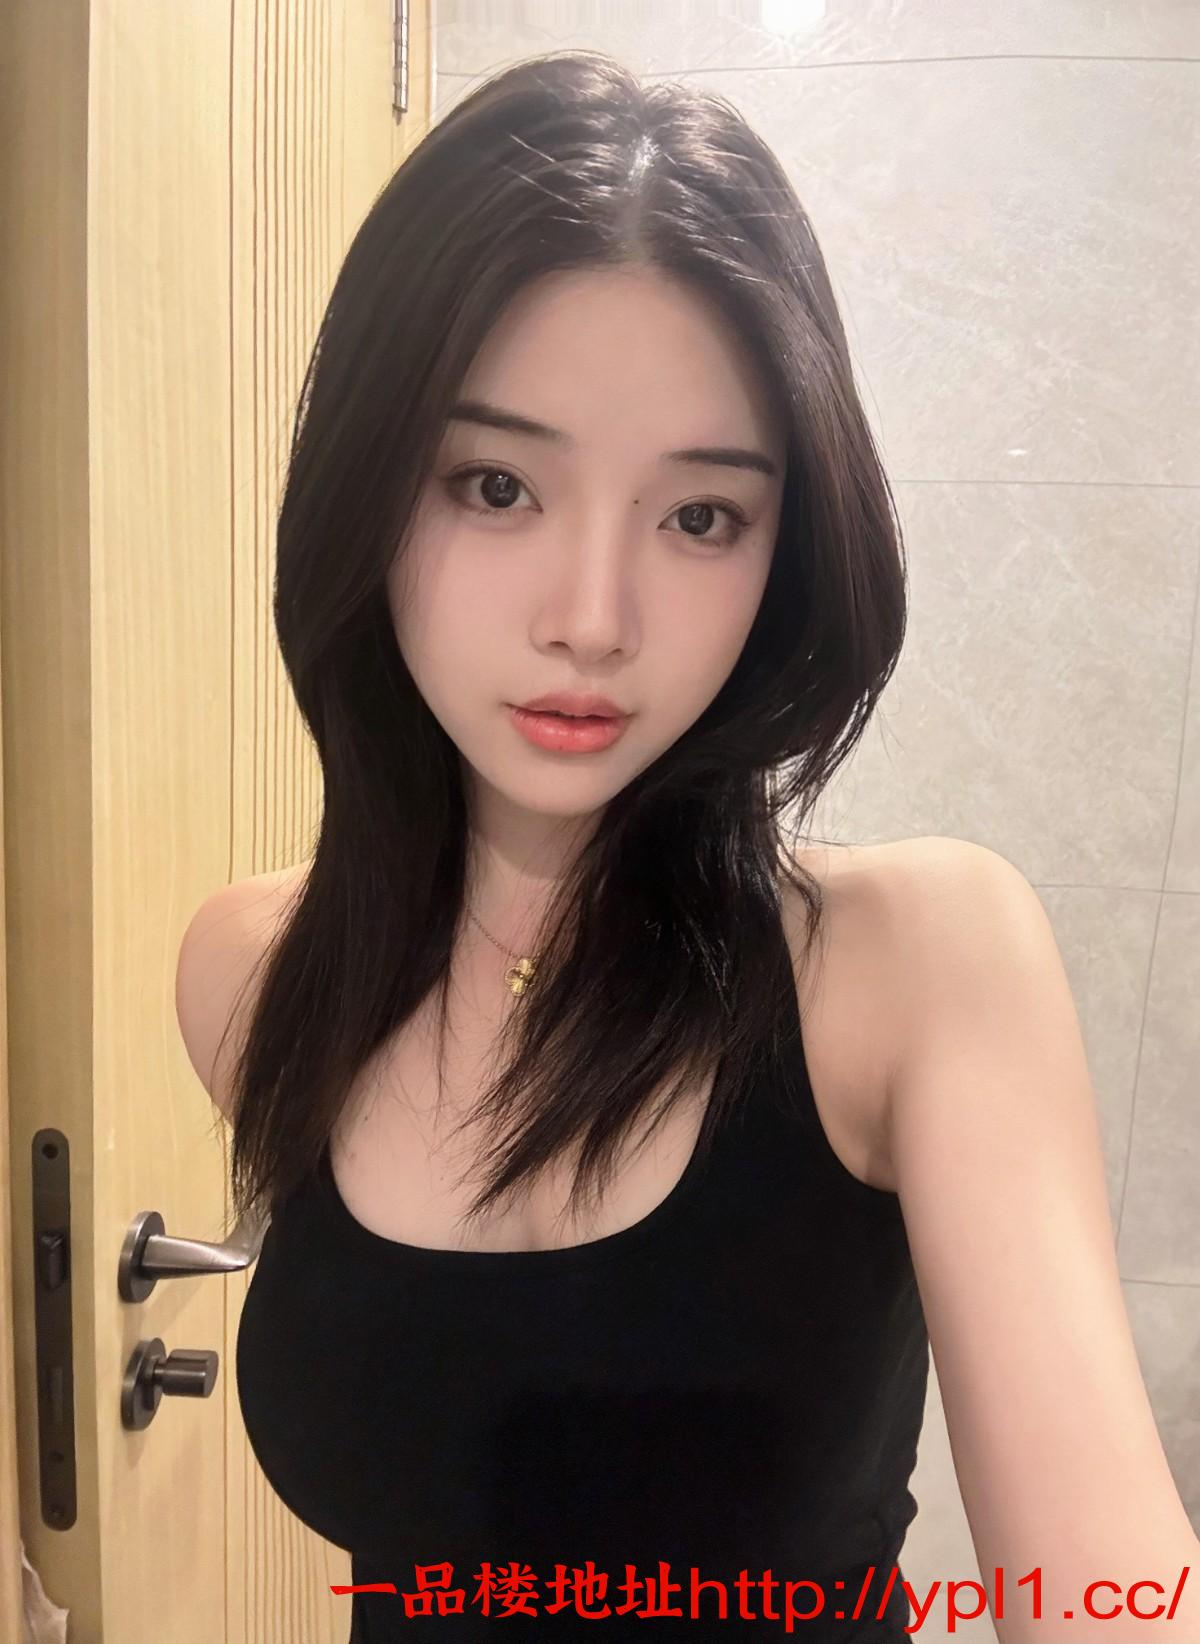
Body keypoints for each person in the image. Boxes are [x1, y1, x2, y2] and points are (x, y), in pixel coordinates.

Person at [175, 49, 1200, 1643]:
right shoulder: (254, 972)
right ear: (368, 487)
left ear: (786, 546)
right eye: (497, 485)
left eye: (699, 516)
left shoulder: (914, 964)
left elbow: (1107, 1593)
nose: (593, 618)